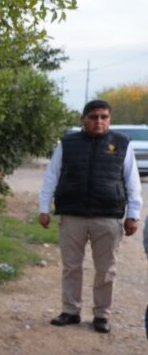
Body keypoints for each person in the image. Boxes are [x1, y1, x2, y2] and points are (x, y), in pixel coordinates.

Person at [39, 99, 141, 334]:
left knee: (106, 269)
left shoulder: (121, 144)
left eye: (104, 117)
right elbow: (51, 177)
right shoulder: (67, 143)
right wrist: (43, 208)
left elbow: (132, 182)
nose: (99, 122)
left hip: (107, 217)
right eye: (93, 117)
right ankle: (70, 311)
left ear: (110, 120)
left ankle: (101, 315)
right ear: (83, 119)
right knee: (71, 266)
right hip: (72, 215)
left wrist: (133, 214)